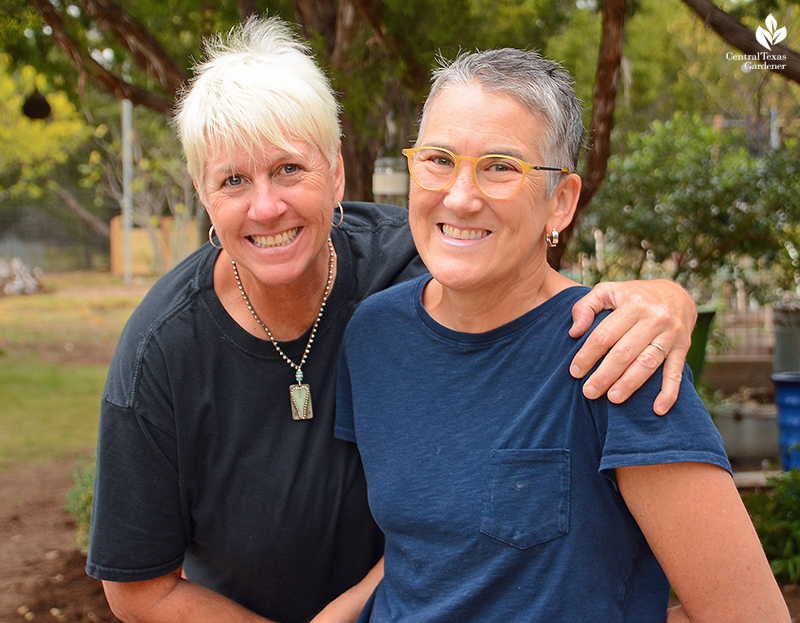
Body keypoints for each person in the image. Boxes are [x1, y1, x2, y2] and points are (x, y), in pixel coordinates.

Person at [86, 17, 699, 623]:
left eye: (289, 169)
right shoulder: (160, 355)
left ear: (337, 174)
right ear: (203, 192)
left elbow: (531, 292)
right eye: (234, 180)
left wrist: (668, 297)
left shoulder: (423, 267)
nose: (266, 206)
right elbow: (139, 588)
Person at [335, 48, 789, 622]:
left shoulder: (616, 350)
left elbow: (747, 614)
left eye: (501, 166)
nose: (459, 196)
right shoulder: (376, 335)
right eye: (438, 159)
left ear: (562, 202)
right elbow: (424, 550)